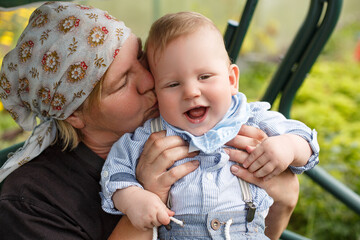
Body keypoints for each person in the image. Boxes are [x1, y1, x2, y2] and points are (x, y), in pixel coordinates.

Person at [0, 2, 304, 239]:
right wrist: (146, 196)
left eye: (141, 57)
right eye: (122, 83)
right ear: (74, 114)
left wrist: (282, 198)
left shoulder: (200, 123)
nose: (150, 80)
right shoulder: (31, 203)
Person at [100, 12, 320, 240]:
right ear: (157, 93)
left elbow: (307, 141)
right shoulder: (150, 135)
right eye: (173, 84)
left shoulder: (249, 118)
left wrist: (288, 146)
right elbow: (115, 173)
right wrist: (134, 198)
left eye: (204, 77)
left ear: (232, 80)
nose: (191, 92)